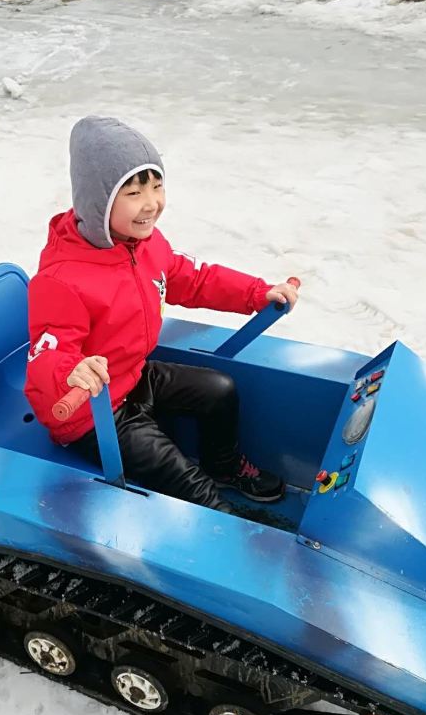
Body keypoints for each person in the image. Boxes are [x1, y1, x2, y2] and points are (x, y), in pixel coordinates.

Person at [24, 116, 299, 513]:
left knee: (219, 390)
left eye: (156, 186)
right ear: (98, 202)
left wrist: (256, 293)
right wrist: (71, 371)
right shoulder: (62, 278)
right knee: (194, 489)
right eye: (134, 193)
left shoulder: (144, 244)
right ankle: (225, 537)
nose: (151, 203)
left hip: (131, 375)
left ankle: (223, 466)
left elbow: (192, 278)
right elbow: (46, 351)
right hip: (91, 412)